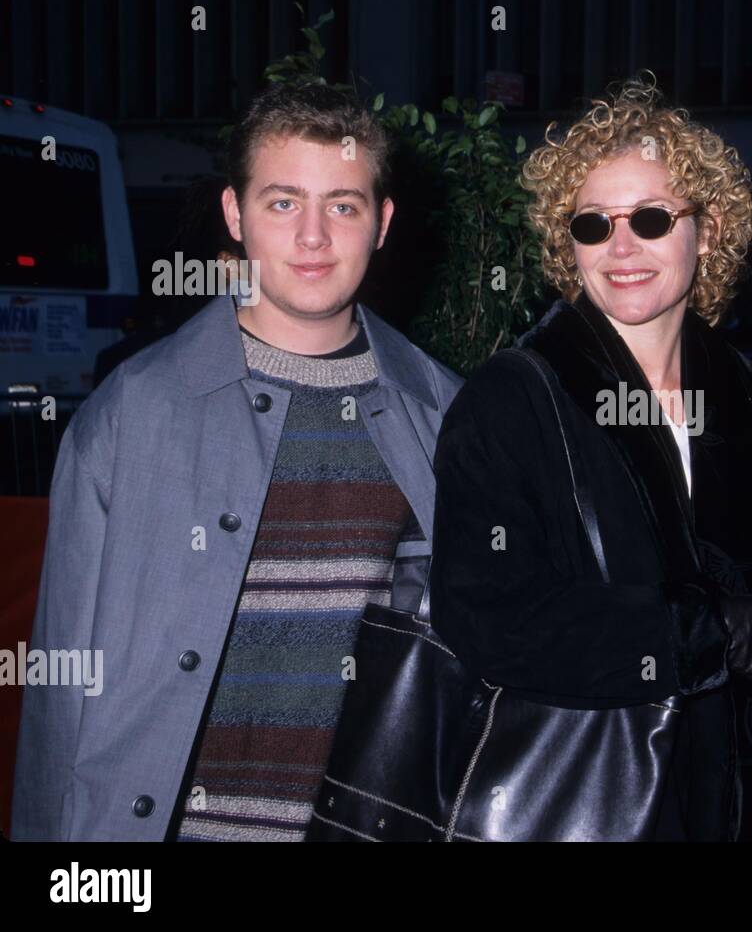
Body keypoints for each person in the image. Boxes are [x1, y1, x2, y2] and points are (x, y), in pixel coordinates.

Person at [12, 83, 463, 840]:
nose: (313, 237)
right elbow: (62, 689)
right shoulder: (135, 412)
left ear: (381, 224)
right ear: (235, 214)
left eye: (343, 205)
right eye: (284, 203)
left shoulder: (443, 411)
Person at [430, 77, 752, 841]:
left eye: (652, 218)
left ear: (710, 229)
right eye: (594, 225)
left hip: (730, 798)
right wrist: (703, 633)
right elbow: (487, 615)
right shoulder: (514, 399)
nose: (622, 247)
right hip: (583, 798)